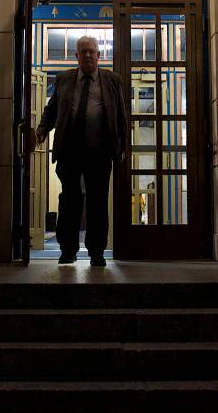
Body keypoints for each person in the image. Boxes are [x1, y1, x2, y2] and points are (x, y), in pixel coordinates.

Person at [35, 35, 128, 266]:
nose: (87, 55)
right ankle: (68, 251)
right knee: (69, 201)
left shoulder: (112, 80)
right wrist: (42, 130)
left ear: (99, 55)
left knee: (98, 202)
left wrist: (122, 147)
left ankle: (96, 252)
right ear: (76, 56)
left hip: (100, 152)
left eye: (91, 51)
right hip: (70, 151)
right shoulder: (64, 79)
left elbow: (121, 116)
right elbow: (52, 109)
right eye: (83, 52)